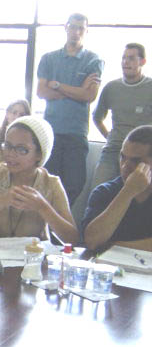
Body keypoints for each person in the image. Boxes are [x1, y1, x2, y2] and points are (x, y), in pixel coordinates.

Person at [0, 116, 78, 243]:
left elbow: (72, 239)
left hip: (33, 253)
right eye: (7, 146)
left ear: (39, 154)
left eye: (22, 149)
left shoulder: (51, 184)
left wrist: (43, 207)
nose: (11, 154)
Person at [36, 13, 104, 206]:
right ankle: (46, 222)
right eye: (73, 27)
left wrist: (57, 85)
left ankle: (61, 220)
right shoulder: (49, 58)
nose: (76, 32)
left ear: (86, 31)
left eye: (81, 28)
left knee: (74, 184)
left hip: (76, 133)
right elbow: (41, 92)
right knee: (46, 183)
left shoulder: (93, 60)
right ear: (66, 28)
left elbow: (89, 96)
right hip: (51, 132)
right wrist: (77, 90)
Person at [82, 125, 152, 251]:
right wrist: (128, 192)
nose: (125, 166)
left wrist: (113, 245)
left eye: (136, 161)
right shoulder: (105, 192)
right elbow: (92, 242)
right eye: (122, 157)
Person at [91, 43, 152, 188]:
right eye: (124, 58)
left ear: (142, 61)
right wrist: (110, 136)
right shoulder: (111, 87)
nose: (126, 62)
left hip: (142, 154)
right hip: (114, 150)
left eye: (131, 58)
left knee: (139, 193)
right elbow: (97, 117)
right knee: (98, 189)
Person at [0, 99, 31, 165]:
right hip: (3, 168)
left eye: (21, 115)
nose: (17, 117)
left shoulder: (30, 135)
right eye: (14, 113)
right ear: (7, 114)